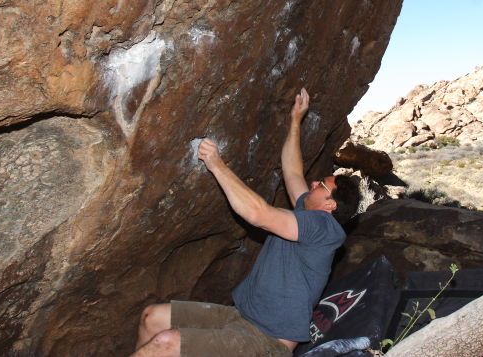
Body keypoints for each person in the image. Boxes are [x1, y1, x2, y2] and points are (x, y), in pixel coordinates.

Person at [131, 88, 346, 356]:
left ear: (330, 205)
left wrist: (217, 164)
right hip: (240, 317)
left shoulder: (325, 230)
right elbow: (292, 171)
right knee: (152, 317)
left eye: (321, 186)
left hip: (267, 340)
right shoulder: (307, 209)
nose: (313, 183)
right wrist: (295, 120)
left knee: (167, 343)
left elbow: (259, 214)